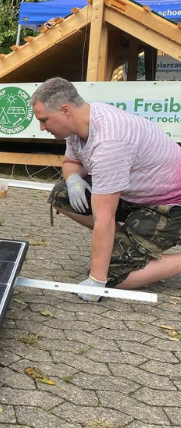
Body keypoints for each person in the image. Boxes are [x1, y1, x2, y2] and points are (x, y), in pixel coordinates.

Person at [31, 77, 181, 300]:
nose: (41, 127)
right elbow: (71, 163)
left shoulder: (110, 142)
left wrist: (96, 281)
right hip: (136, 195)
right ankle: (125, 239)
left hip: (169, 205)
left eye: (44, 120)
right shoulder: (80, 126)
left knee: (113, 277)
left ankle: (122, 253)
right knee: (62, 194)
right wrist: (73, 180)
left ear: (65, 110)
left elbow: (104, 217)